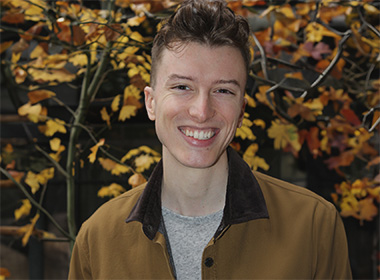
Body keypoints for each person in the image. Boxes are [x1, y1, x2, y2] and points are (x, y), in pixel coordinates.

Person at [68, 0, 352, 279]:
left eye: (223, 91)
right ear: (150, 102)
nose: (201, 111)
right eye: (182, 87)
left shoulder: (314, 226)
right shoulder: (97, 240)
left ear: (241, 111)